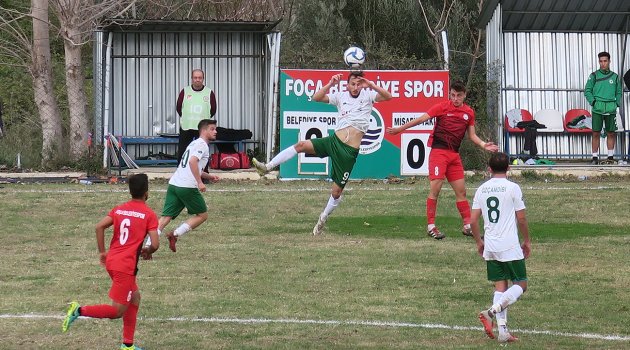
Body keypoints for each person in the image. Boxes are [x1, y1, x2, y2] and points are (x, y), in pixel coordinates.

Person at [252, 71, 392, 235]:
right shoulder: (340, 96)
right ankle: (267, 167)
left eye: (358, 84)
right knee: (302, 144)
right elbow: (316, 97)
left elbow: (388, 96)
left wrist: (371, 85)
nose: (355, 87)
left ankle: (322, 219)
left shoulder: (368, 96)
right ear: (347, 84)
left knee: (336, 192)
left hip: (348, 152)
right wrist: (330, 84)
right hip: (334, 142)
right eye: (352, 84)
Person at [387, 81, 498, 239]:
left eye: (459, 95)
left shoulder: (469, 112)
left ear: (464, 95)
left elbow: (472, 135)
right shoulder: (442, 107)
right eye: (453, 95)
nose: (455, 98)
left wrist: (483, 144)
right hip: (439, 153)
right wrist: (400, 129)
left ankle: (467, 225)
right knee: (436, 189)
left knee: (461, 192)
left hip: (454, 155)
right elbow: (420, 119)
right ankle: (431, 226)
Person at [62, 174, 159, 350]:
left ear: (130, 192)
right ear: (146, 193)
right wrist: (148, 251)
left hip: (113, 261)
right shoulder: (149, 214)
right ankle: (79, 310)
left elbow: (99, 226)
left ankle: (128, 345)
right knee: (117, 311)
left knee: (135, 297)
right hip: (125, 267)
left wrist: (102, 252)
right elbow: (155, 244)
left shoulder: (120, 209)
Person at [471, 152, 531, 343]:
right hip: (509, 245)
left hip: (491, 245)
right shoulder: (513, 188)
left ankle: (503, 332)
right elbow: (521, 218)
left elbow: (472, 220)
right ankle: (491, 311)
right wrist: (527, 240)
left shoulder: (481, 189)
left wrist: (479, 242)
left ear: (489, 169)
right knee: (521, 284)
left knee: (501, 286)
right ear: (509, 168)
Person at [144, 119, 219, 255]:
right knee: (202, 215)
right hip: (187, 186)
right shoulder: (202, 144)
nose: (215, 132)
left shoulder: (193, 144)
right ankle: (176, 233)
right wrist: (200, 182)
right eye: (212, 129)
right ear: (204, 130)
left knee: (165, 217)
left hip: (174, 184)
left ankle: (148, 246)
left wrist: (208, 176)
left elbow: (194, 166)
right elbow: (192, 162)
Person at [584, 51, 622, 165]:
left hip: (611, 108)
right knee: (596, 133)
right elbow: (587, 91)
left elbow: (619, 92)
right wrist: (593, 102)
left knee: (611, 133)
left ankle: (610, 157)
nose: (603, 63)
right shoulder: (594, 75)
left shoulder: (615, 77)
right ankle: (594, 158)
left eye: (605, 61)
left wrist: (616, 104)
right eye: (601, 61)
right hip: (597, 108)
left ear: (609, 61)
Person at [176, 69, 217, 163]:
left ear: (203, 79)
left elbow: (213, 110)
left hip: (203, 128)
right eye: (195, 77)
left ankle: (203, 174)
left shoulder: (209, 92)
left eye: (200, 78)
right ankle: (181, 173)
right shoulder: (185, 91)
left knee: (203, 152)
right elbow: (179, 108)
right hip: (187, 127)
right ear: (192, 78)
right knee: (183, 151)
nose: (197, 80)